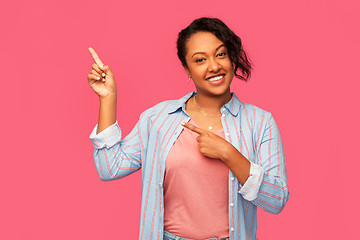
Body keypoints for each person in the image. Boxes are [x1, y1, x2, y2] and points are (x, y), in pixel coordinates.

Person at [88, 17, 289, 240]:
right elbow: (110, 168)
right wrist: (108, 99)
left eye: (221, 54)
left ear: (232, 58)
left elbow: (276, 199)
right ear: (187, 70)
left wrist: (228, 154)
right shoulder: (158, 119)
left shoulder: (260, 122)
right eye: (200, 59)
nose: (214, 66)